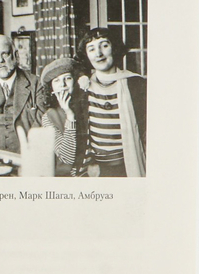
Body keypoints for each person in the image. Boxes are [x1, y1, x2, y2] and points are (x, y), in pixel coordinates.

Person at [79, 28, 147, 177]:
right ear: (86, 55)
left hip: (129, 167)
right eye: (91, 49)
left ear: (114, 48)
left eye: (104, 45)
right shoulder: (83, 88)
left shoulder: (137, 84)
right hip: (96, 170)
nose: (98, 53)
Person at [37, 57, 88, 176]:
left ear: (75, 82)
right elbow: (67, 158)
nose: (63, 84)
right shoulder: (49, 117)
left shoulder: (86, 105)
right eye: (56, 81)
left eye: (68, 78)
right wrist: (70, 115)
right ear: (51, 89)